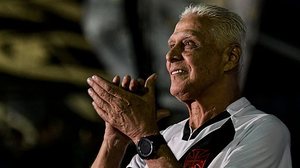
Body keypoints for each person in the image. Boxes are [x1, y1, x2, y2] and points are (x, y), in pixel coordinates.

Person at [87, 3, 292, 168]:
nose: (170, 56)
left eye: (188, 44)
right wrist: (113, 143)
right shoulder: (165, 138)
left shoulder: (262, 130)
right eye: (171, 45)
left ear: (230, 57)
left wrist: (143, 134)